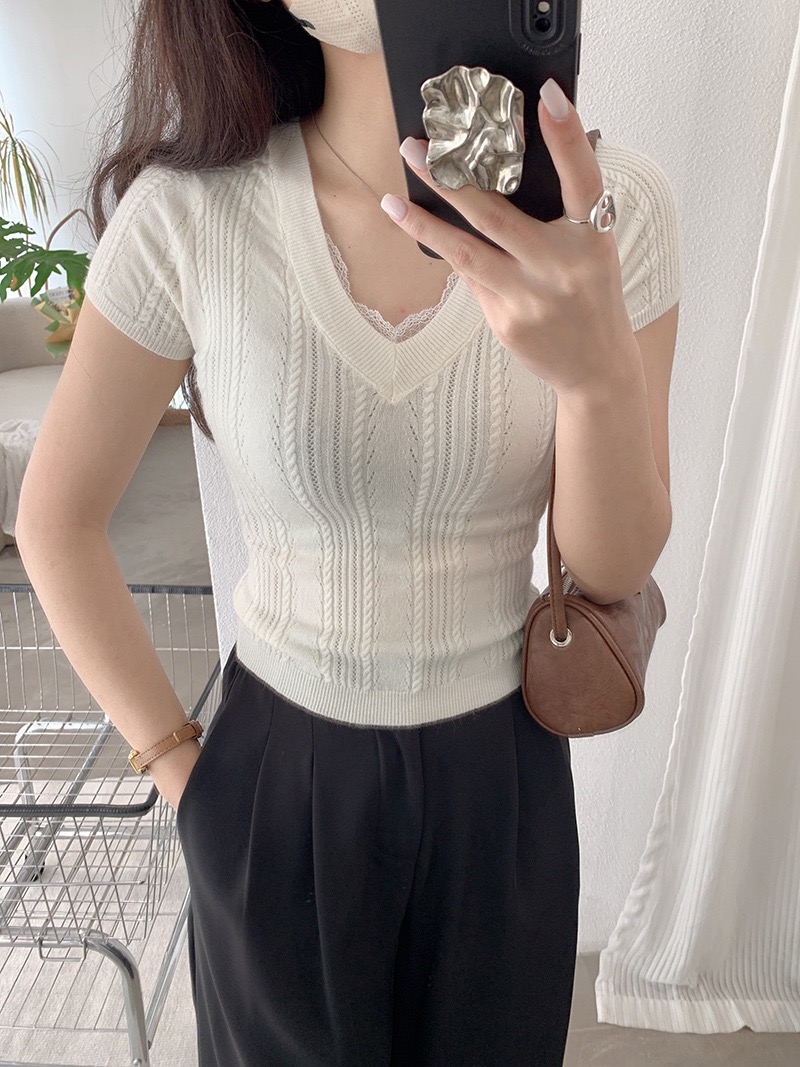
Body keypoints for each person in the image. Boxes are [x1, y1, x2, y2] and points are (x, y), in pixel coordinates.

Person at [16, 1, 682, 1063]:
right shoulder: (191, 215)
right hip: (275, 776)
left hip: (502, 780)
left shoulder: (607, 211)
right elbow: (56, 520)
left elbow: (612, 567)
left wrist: (596, 380)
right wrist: (186, 779)